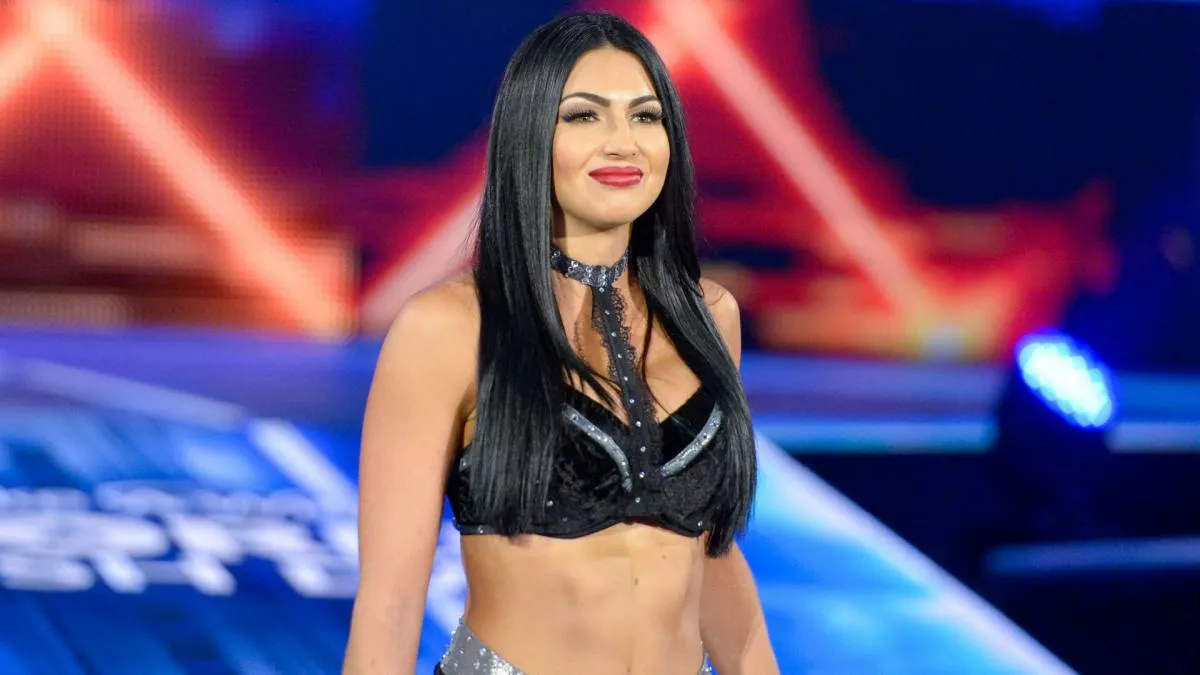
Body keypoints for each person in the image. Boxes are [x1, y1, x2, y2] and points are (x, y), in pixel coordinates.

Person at [343, 11, 779, 675]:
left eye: (645, 116)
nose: (622, 143)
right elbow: (390, 605)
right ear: (530, 134)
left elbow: (705, 545)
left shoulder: (711, 317)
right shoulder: (449, 327)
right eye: (584, 116)